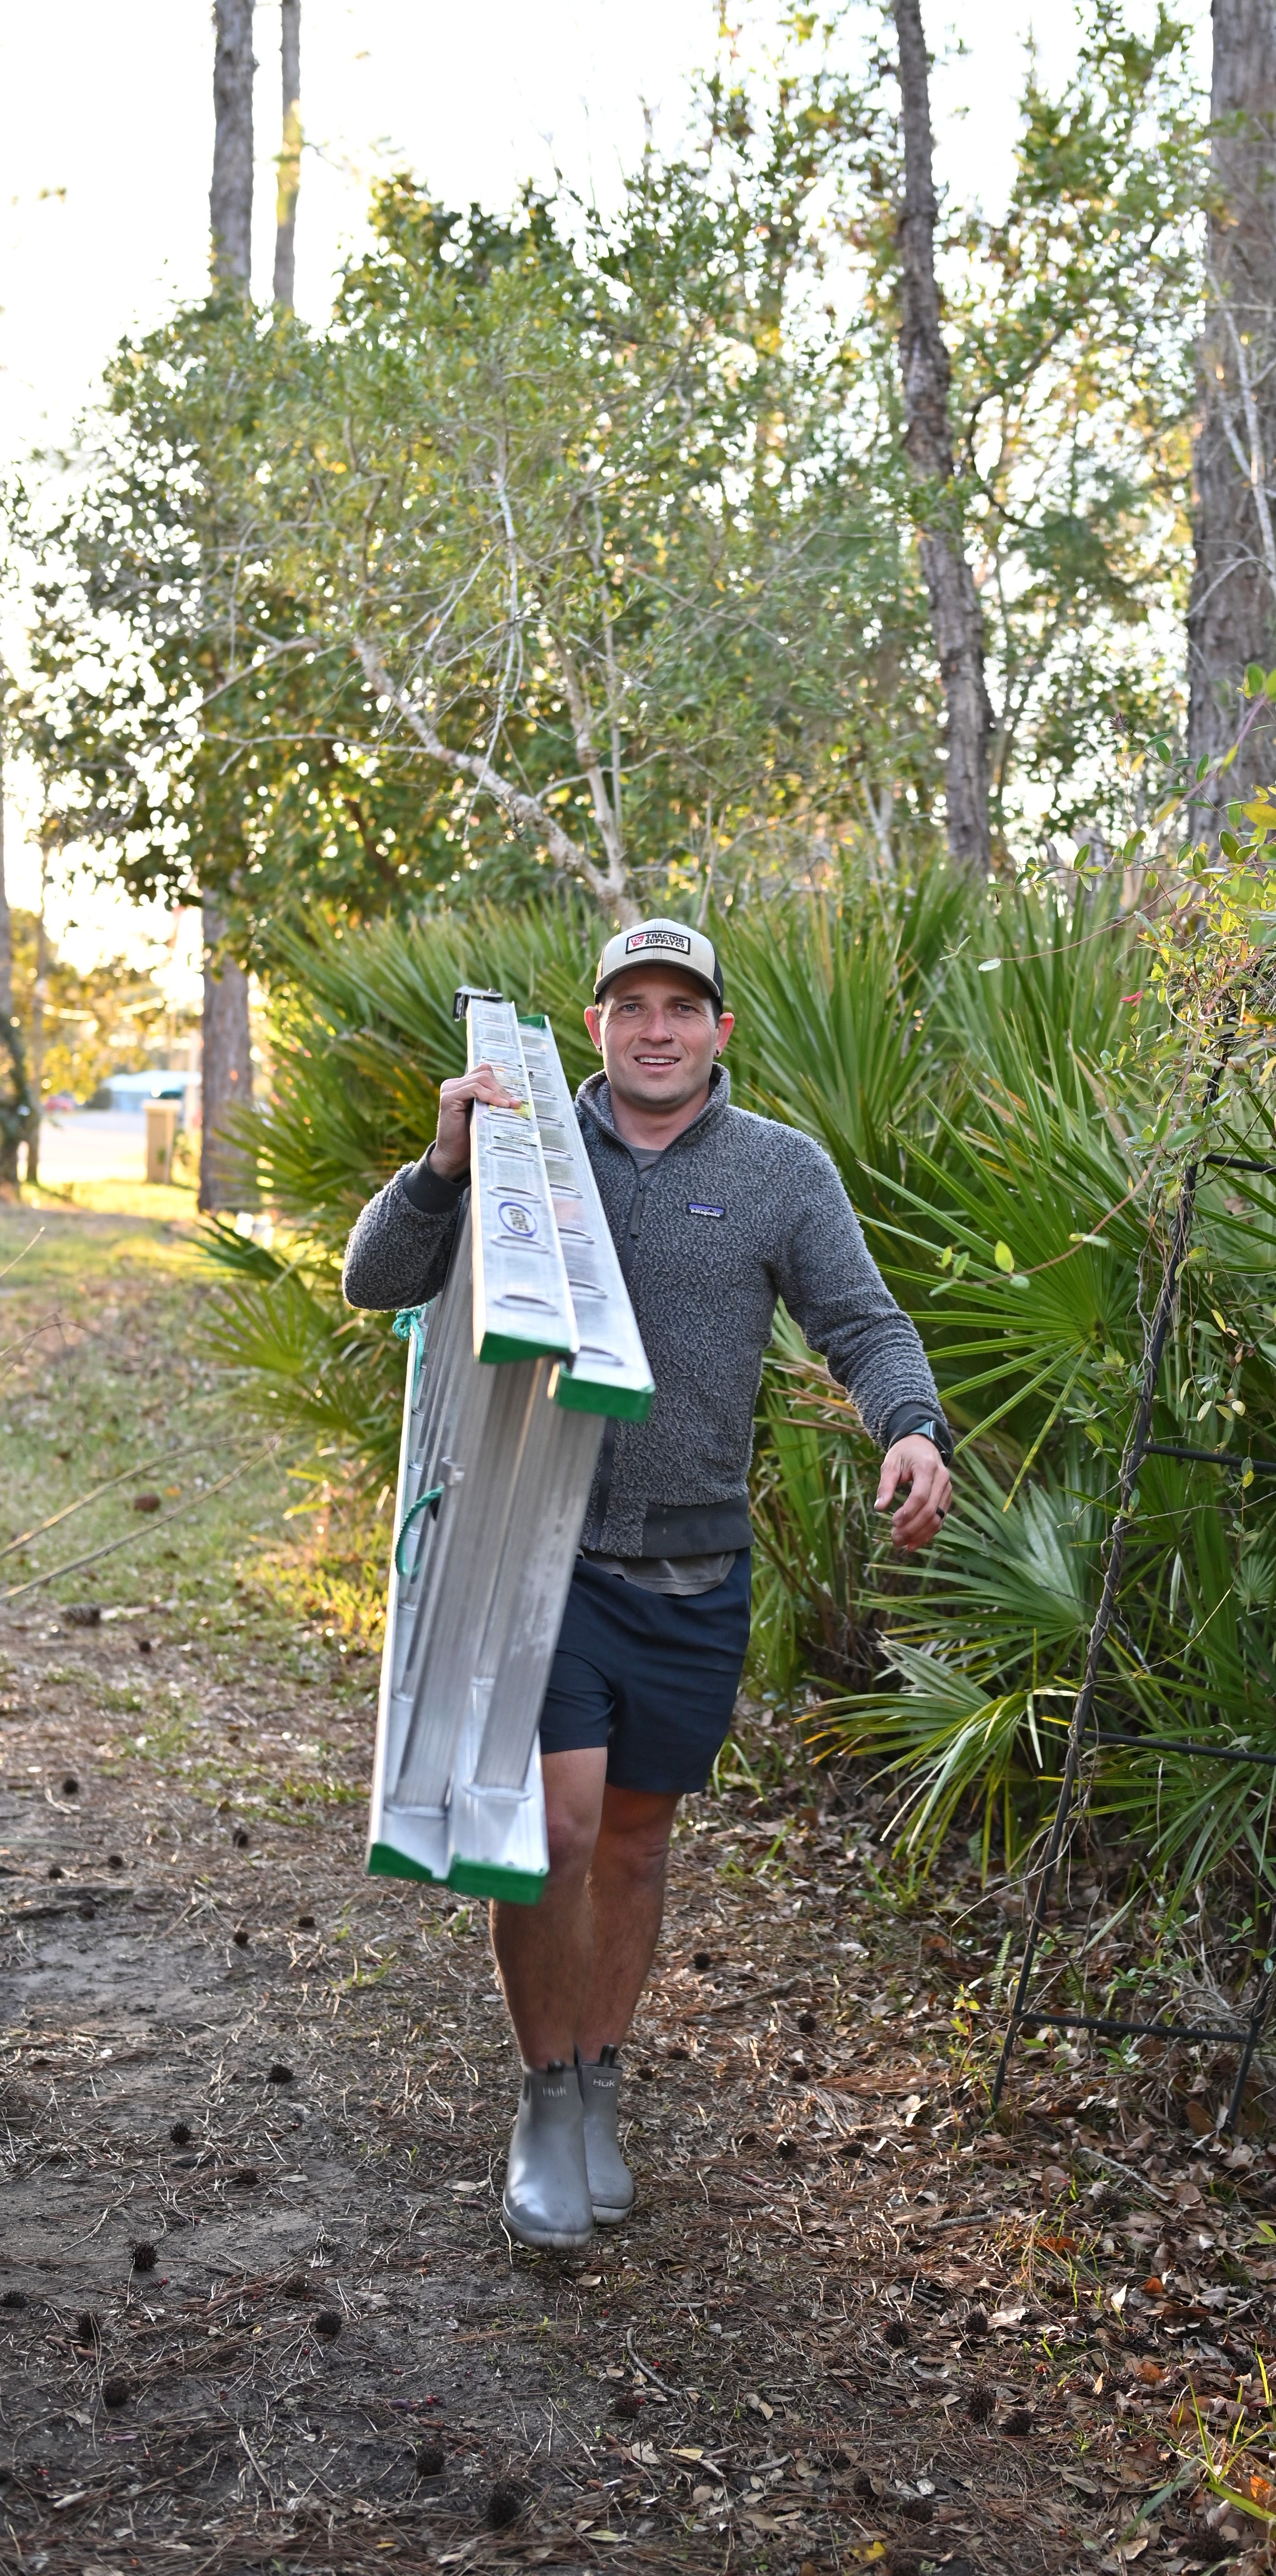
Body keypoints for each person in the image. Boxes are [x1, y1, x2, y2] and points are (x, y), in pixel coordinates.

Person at [341, 919, 953, 2251]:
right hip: (539, 1555)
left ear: (719, 1030)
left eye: (682, 1007)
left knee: (634, 1842)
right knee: (555, 1833)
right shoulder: (521, 1143)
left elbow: (862, 1322)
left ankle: (601, 2079)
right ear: (597, 1024)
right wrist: (443, 1164)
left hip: (694, 1568)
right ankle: (545, 2098)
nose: (657, 1030)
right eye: (634, 1007)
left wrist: (911, 1426)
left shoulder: (781, 1170)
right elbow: (374, 1279)